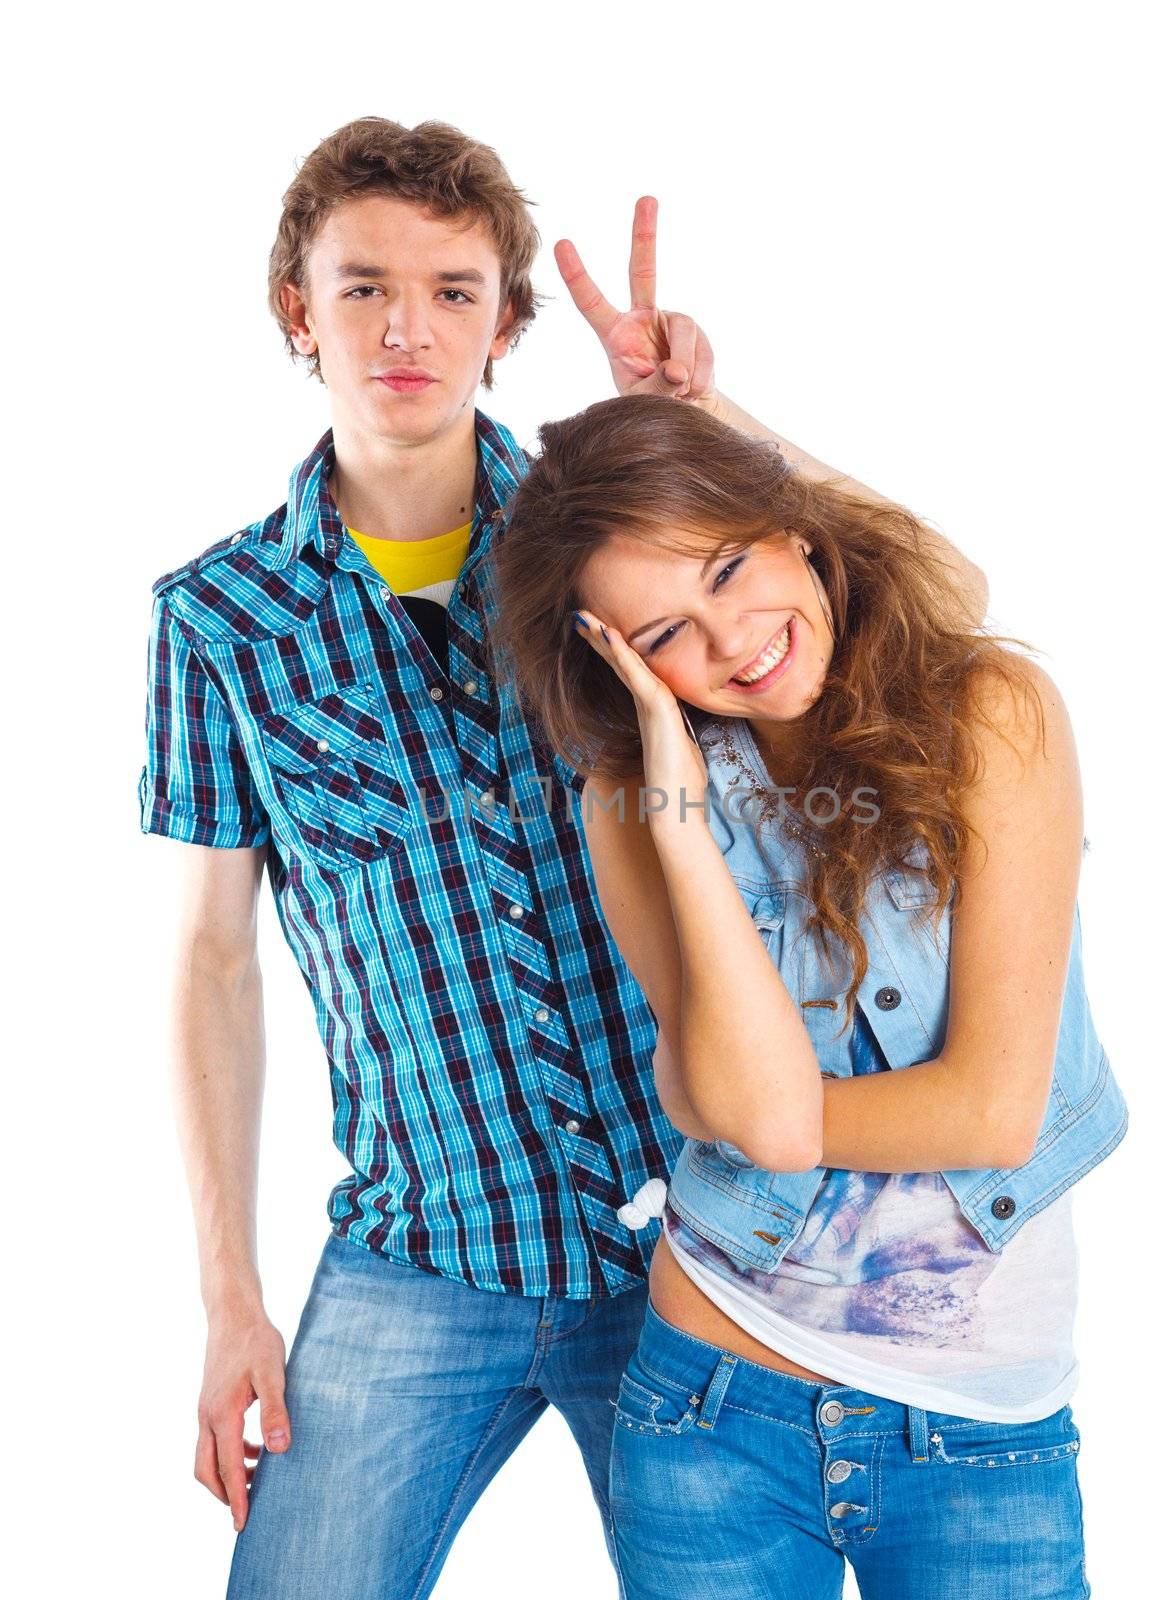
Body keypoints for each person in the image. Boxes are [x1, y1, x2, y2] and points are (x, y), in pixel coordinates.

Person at [137, 117, 987, 1598]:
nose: (408, 327)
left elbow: (901, 611)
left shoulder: (606, 555)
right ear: (297, 312)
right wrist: (230, 1302)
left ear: (507, 325)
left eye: (455, 290)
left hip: (690, 1246)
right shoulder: (219, 623)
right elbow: (212, 962)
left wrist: (718, 426)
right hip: (420, 1247)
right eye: (361, 287)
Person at [489, 393, 1128, 1598]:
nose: (732, 640)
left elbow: (985, 1112)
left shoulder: (990, 716)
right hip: (708, 1407)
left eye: (730, 566)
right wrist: (680, 814)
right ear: (618, 665)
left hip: (975, 1430)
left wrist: (742, 1109)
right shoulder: (632, 803)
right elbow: (733, 1101)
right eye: (666, 632)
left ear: (792, 525)